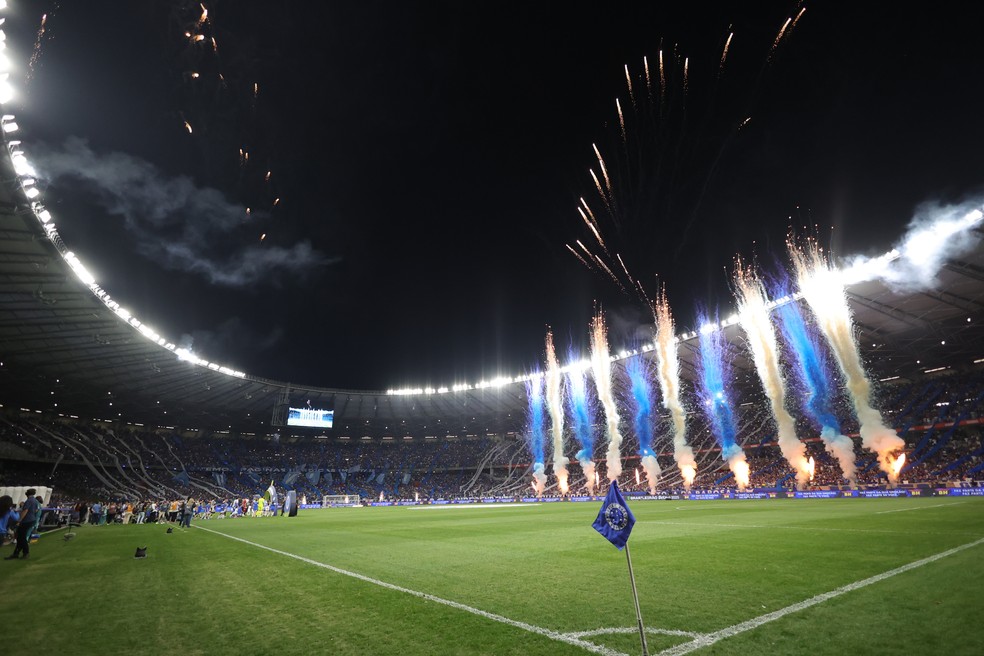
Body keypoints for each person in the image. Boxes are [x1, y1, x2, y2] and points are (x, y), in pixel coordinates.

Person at [5, 489, 41, 560]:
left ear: (27, 494)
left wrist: (19, 520)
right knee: (21, 537)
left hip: (26, 521)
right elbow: (36, 510)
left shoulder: (29, 501)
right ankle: (17, 553)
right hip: (32, 520)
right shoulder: (35, 501)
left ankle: (25, 553)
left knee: (21, 537)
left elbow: (25, 510)